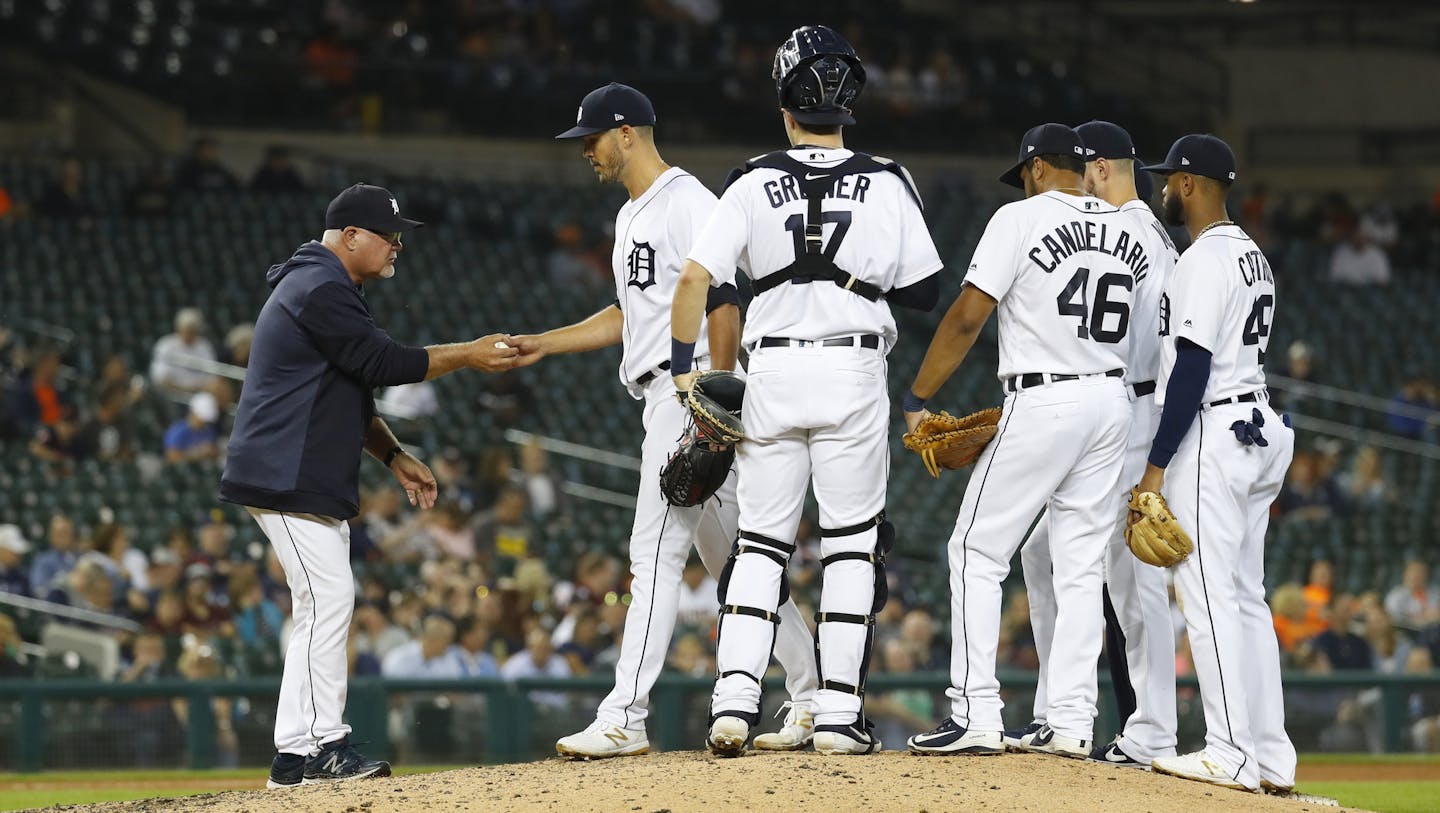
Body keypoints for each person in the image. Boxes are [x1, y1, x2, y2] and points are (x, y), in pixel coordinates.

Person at [517, 81, 819, 760]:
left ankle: (625, 713)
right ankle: (814, 695)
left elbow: (724, 298)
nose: (585, 152)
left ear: (626, 132)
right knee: (743, 563)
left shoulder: (687, 200)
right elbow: (630, 317)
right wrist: (546, 341)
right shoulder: (630, 216)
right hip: (663, 388)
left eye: (590, 138)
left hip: (684, 396)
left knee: (651, 554)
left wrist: (712, 400)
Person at [669, 27, 942, 756]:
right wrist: (852, 270)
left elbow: (697, 278)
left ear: (785, 107)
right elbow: (925, 288)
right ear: (851, 103)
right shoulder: (887, 177)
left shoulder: (751, 178)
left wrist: (679, 367)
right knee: (852, 546)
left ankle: (733, 704)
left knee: (760, 543)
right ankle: (838, 715)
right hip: (853, 369)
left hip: (775, 371)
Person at [219, 182, 524, 788]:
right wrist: (467, 354)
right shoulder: (320, 285)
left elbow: (350, 388)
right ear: (351, 236)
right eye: (389, 235)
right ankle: (324, 746)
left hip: (295, 471)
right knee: (330, 601)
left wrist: (393, 454)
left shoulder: (326, 284)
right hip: (286, 472)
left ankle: (293, 756)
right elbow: (385, 365)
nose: (397, 245)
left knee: (319, 605)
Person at [902, 123, 1133, 758]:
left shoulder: (1019, 217)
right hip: (1112, 400)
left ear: (1035, 169)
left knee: (974, 549)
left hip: (1046, 396)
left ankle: (975, 711)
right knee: (1081, 568)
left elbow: (969, 315)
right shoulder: (1125, 226)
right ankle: (1072, 720)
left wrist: (918, 398)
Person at [1006, 120, 1179, 768]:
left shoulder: (1129, 233)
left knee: (1134, 585)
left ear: (1100, 169)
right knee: (1044, 554)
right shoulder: (1146, 236)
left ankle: (1152, 729)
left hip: (1134, 414)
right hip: (1116, 409)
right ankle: (1056, 711)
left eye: (1083, 170)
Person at [1133, 134, 1296, 793]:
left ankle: (1229, 751)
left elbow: (1193, 365)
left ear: (1191, 185)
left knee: (1204, 593)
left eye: (1171, 180)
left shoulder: (1202, 260)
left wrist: (1154, 464)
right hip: (1259, 424)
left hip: (1218, 428)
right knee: (1246, 596)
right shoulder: (1253, 256)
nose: (1165, 188)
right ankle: (1270, 754)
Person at [150, 308, 218, 395]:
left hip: (200, 395)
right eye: (188, 329)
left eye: (194, 329)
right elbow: (161, 379)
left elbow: (213, 378)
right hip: (172, 396)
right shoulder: (165, 345)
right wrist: (187, 389)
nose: (191, 333)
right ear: (179, 328)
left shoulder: (204, 346)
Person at [164, 391, 221, 462]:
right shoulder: (177, 430)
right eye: (202, 418)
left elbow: (215, 452)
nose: (204, 422)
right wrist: (198, 453)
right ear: (193, 413)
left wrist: (212, 452)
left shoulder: (208, 430)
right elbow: (172, 458)